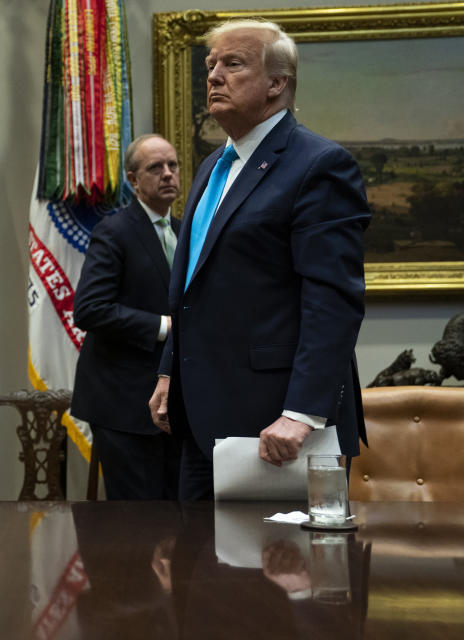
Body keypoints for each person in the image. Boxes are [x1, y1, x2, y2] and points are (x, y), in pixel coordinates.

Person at [148, 19, 370, 500]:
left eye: (233, 63)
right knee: (199, 568)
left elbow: (332, 300)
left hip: (280, 427)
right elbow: (192, 286)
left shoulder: (319, 165)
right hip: (200, 419)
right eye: (210, 66)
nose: (213, 76)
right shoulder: (212, 166)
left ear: (277, 83)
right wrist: (170, 371)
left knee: (279, 571)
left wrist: (302, 413)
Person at [71, 134, 182, 500]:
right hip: (123, 402)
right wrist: (163, 327)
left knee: (183, 521)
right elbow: (90, 308)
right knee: (137, 525)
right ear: (133, 180)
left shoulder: (187, 231)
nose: (168, 174)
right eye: (156, 168)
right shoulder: (114, 231)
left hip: (177, 401)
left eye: (173, 165)